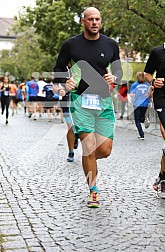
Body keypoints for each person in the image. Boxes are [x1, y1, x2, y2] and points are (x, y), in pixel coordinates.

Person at [54, 7, 122, 208]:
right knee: (89, 146)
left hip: (103, 101)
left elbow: (117, 69)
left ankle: (88, 157)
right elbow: (58, 68)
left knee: (105, 150)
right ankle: (93, 190)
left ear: (101, 21)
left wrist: (115, 77)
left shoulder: (110, 44)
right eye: (90, 19)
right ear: (83, 21)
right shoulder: (71, 45)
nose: (94, 22)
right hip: (80, 100)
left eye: (98, 19)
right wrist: (66, 82)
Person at [144, 19, 165, 194]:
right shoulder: (158, 52)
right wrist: (153, 80)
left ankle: (163, 175)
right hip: (163, 97)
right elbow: (146, 72)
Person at [129, 72, 150, 140]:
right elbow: (150, 93)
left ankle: (141, 134)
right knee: (141, 118)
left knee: (137, 120)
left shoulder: (135, 85)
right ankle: (144, 119)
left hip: (137, 104)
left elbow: (131, 94)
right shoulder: (147, 85)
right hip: (145, 104)